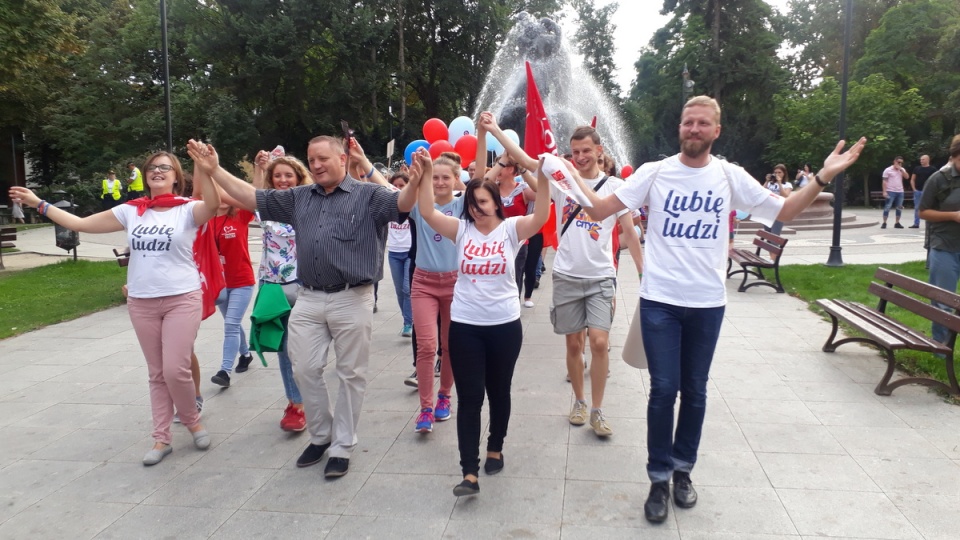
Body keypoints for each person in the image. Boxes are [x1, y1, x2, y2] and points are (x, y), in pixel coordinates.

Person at [568, 95, 865, 523]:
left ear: (715, 131)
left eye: (702, 123)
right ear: (680, 127)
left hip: (707, 304)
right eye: (688, 122)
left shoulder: (729, 176)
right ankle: (657, 477)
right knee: (664, 389)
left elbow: (784, 210)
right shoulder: (655, 173)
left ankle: (682, 471)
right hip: (661, 302)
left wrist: (820, 176)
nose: (693, 129)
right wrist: (562, 174)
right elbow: (598, 210)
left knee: (696, 390)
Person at [188, 135, 406, 479]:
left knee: (351, 375)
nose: (316, 165)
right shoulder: (299, 198)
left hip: (353, 296)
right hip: (309, 296)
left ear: (342, 160)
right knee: (303, 368)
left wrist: (419, 177)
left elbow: (403, 202)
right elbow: (252, 196)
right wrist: (214, 169)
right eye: (311, 159)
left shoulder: (370, 195)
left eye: (322, 158)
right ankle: (321, 435)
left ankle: (342, 445)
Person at [10, 150, 222, 466]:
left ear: (176, 177)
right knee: (156, 373)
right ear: (145, 175)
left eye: (165, 167)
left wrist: (210, 171)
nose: (157, 171)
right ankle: (161, 437)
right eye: (152, 167)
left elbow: (215, 205)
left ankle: (191, 419)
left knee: (174, 368)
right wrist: (39, 203)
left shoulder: (188, 210)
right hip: (141, 301)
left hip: (182, 297)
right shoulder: (131, 211)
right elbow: (79, 223)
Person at [484, 114, 644, 439]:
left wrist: (645, 274)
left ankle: (598, 410)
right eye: (575, 152)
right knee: (574, 345)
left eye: (586, 151)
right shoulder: (560, 182)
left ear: (599, 151)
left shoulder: (615, 189)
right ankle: (580, 401)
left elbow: (630, 231)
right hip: (567, 276)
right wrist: (495, 130)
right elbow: (528, 161)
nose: (580, 158)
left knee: (599, 342)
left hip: (600, 277)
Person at [410, 146, 550, 497]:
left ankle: (495, 446)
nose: (477, 209)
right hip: (466, 326)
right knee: (470, 397)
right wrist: (427, 172)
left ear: (496, 203)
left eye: (483, 202)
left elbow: (543, 214)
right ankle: (468, 472)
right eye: (472, 204)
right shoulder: (461, 230)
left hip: (504, 325)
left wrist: (545, 176)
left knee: (498, 391)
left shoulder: (512, 229)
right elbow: (426, 210)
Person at [250, 150, 312, 432]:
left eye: (289, 175)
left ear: (299, 178)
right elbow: (253, 194)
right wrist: (259, 169)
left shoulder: (311, 204)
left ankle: (310, 396)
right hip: (273, 287)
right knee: (284, 349)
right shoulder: (267, 207)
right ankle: (296, 404)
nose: (283, 180)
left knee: (306, 349)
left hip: (306, 285)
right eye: (278, 176)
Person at [403, 152, 461, 434]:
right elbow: (384, 187)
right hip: (423, 282)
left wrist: (486, 134)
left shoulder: (462, 205)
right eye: (434, 177)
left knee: (450, 345)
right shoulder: (418, 205)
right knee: (427, 345)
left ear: (455, 179)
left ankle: (445, 397)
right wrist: (362, 163)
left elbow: (485, 180)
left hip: (455, 284)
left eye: (445, 177)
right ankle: (425, 408)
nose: (439, 182)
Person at [208, 197, 256, 388]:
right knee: (232, 323)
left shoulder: (241, 215)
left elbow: (253, 195)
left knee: (231, 324)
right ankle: (245, 354)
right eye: (217, 195)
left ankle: (224, 371)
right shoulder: (206, 219)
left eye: (226, 194)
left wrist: (259, 169)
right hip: (219, 282)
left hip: (241, 281)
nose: (222, 199)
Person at [918, 135, 960, 344]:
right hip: (944, 247)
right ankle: (940, 348)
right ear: (953, 156)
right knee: (943, 301)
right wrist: (953, 216)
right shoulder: (938, 178)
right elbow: (923, 212)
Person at [386, 172, 415, 337]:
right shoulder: (388, 205)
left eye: (402, 186)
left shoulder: (410, 204)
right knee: (399, 290)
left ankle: (408, 323)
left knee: (407, 289)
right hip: (394, 253)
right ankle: (407, 319)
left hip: (409, 252)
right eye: (395, 185)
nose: (398, 189)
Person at [762, 164, 792, 237]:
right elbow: (761, 192)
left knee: (775, 234)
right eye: (775, 172)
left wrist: (779, 183)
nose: (777, 174)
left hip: (779, 210)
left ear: (784, 173)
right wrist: (766, 181)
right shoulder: (770, 184)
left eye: (779, 172)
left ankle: (774, 246)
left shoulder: (787, 185)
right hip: (768, 210)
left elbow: (785, 195)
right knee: (768, 233)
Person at [910, 154, 938, 228]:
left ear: (927, 160)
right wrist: (914, 189)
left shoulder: (933, 169)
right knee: (917, 207)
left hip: (928, 191)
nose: (921, 161)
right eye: (920, 159)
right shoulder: (917, 168)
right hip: (918, 191)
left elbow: (935, 180)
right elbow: (912, 179)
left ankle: (930, 224)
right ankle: (916, 223)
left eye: (923, 159)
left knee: (929, 208)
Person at [881, 156, 909, 229]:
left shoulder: (902, 169)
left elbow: (907, 177)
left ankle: (897, 222)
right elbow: (884, 181)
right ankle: (884, 222)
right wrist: (884, 191)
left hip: (900, 191)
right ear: (894, 161)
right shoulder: (888, 170)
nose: (899, 164)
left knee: (899, 207)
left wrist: (901, 170)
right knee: (888, 206)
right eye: (898, 162)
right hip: (890, 191)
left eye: (901, 163)